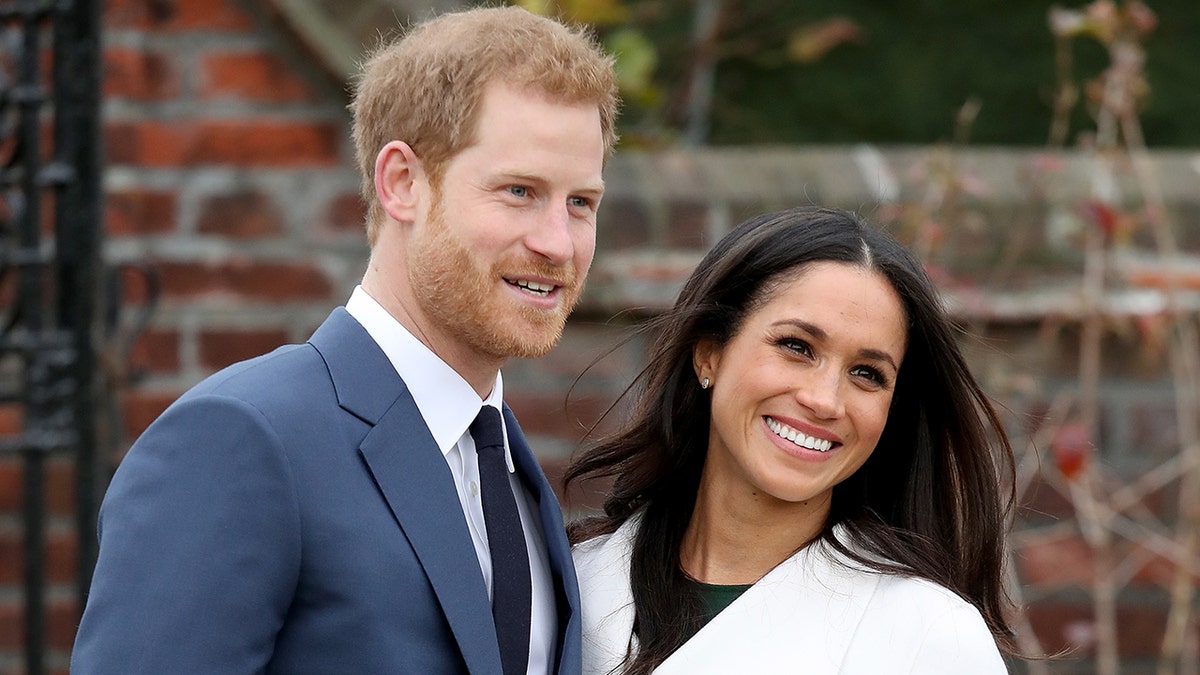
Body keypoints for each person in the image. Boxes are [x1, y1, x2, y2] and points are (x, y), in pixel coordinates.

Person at [72, 6, 618, 674]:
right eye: (519, 191)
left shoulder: (511, 470)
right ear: (402, 183)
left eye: (581, 203)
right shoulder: (242, 439)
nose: (557, 242)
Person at [566, 206, 1018, 674]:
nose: (825, 400)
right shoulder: (571, 584)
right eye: (797, 347)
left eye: (867, 374)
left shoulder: (928, 636)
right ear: (709, 354)